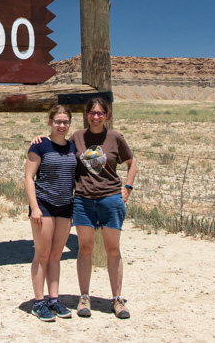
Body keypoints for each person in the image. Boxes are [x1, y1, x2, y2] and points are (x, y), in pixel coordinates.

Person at [71, 97, 137, 319]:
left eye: (100, 113)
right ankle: (84, 297)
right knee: (85, 248)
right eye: (92, 113)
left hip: (110, 199)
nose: (96, 117)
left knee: (113, 250)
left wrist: (127, 187)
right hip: (83, 199)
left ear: (107, 116)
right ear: (86, 115)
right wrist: (39, 140)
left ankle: (117, 299)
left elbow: (131, 162)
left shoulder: (115, 138)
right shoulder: (77, 137)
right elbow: (58, 148)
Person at [24, 105, 77, 321]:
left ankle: (53, 299)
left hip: (66, 205)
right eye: (58, 121)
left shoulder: (73, 147)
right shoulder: (39, 146)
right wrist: (35, 207)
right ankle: (38, 302)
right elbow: (28, 178)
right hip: (44, 204)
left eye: (65, 122)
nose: (62, 125)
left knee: (56, 255)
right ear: (50, 122)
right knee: (42, 254)